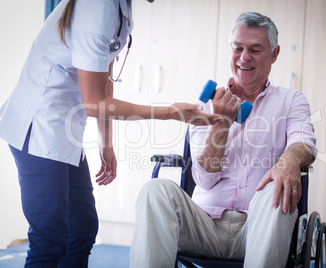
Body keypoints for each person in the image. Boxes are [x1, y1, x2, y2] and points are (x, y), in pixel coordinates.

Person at [0, 0, 222, 267]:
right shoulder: (97, 6)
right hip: (39, 127)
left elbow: (103, 82)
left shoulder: (120, 7)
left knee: (82, 229)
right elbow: (94, 101)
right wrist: (171, 113)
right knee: (50, 238)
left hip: (62, 129)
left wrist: (107, 143)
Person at [130, 11, 317, 267]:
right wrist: (221, 124)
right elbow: (205, 179)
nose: (244, 57)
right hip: (203, 226)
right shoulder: (207, 105)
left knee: (277, 186)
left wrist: (288, 162)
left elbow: (303, 142)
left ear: (274, 53)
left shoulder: (291, 100)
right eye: (238, 48)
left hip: (259, 228)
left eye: (255, 49)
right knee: (155, 190)